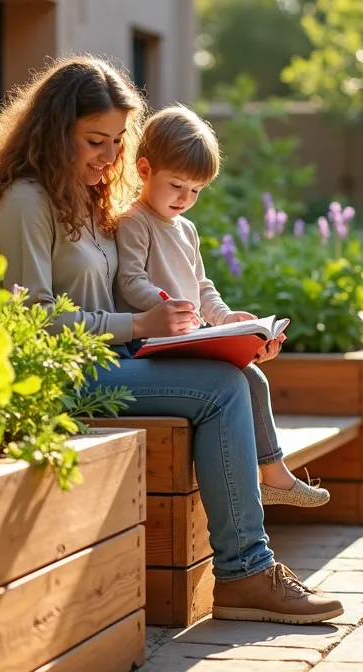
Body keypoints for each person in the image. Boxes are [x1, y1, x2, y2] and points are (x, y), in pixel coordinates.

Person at [0, 55, 344, 624]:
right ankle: (245, 574)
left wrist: (224, 333)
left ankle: (246, 572)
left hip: (117, 360)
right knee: (221, 389)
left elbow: (138, 285)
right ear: (52, 130)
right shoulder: (25, 203)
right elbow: (30, 323)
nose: (109, 157)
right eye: (95, 140)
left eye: (117, 141)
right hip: (64, 376)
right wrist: (140, 326)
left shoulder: (88, 201)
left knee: (234, 373)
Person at [114, 105, 329, 508]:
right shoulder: (135, 221)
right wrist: (164, 306)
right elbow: (129, 280)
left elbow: (202, 286)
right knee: (241, 382)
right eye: (177, 185)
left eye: (196, 191)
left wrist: (226, 318)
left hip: (186, 337)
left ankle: (273, 474)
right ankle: (272, 477)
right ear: (144, 170)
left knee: (254, 377)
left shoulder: (186, 229)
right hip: (152, 344)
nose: (185, 198)